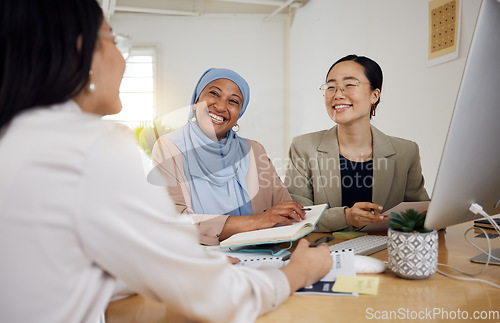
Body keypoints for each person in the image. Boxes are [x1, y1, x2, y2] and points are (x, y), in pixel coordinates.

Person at [0, 1, 332, 322]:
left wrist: (184, 264)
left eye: (234, 101)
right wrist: (297, 273)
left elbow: (72, 263)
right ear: (80, 51)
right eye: (114, 40)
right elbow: (215, 298)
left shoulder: (17, 139)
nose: (122, 56)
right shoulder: (98, 146)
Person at [151, 68, 306, 245]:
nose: (221, 106)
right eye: (214, 94)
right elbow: (175, 221)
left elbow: (283, 208)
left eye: (233, 101)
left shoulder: (253, 150)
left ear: (239, 114)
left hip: (260, 256)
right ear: (196, 101)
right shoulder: (170, 148)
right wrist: (257, 221)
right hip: (201, 259)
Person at [284, 54, 429, 232]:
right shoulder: (304, 147)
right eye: (331, 87)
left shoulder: (406, 151)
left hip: (385, 252)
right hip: (327, 251)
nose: (337, 94)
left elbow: (422, 213)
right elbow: (299, 215)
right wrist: (346, 217)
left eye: (349, 85)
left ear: (374, 95)